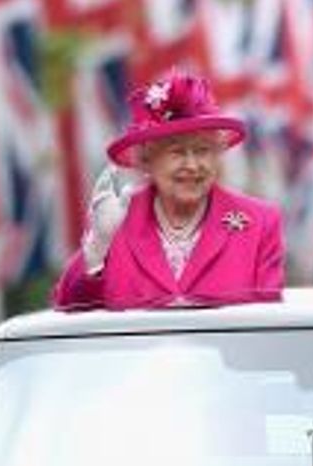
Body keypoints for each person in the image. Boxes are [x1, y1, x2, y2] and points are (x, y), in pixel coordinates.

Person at [53, 71, 285, 310]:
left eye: (203, 150)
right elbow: (69, 307)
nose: (192, 165)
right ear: (148, 160)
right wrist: (97, 249)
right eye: (177, 152)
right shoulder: (115, 221)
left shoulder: (261, 222)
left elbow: (268, 325)